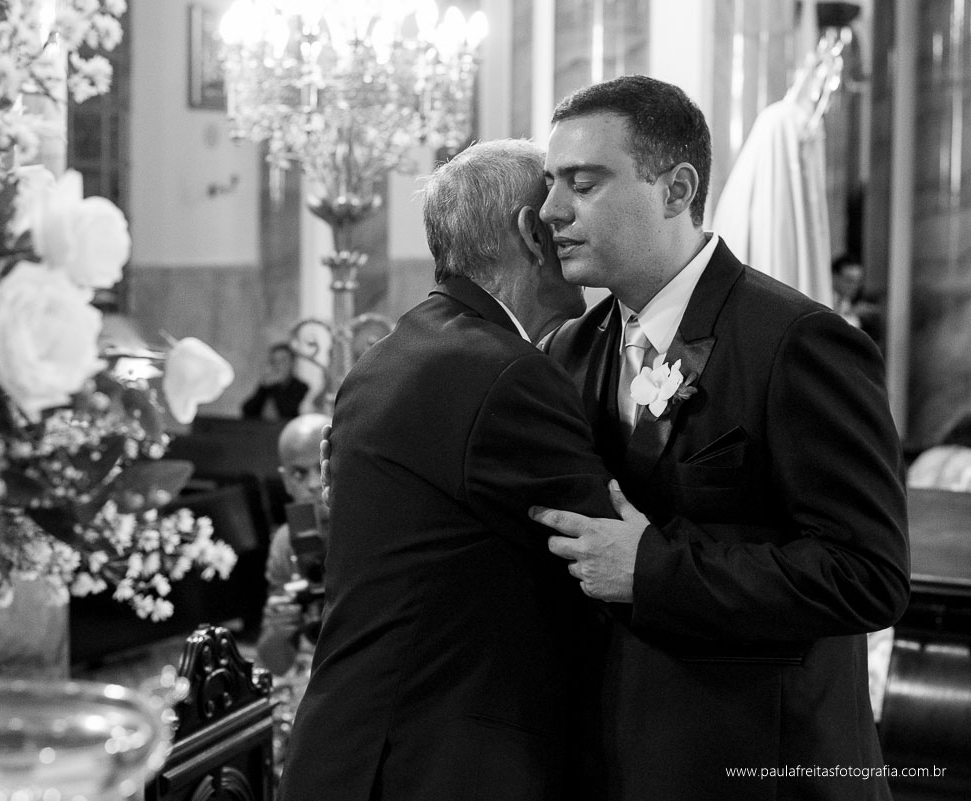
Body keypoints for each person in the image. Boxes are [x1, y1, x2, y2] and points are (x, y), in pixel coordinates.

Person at [533, 75, 910, 800]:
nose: (551, 210)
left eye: (582, 184)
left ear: (675, 190)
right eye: (552, 183)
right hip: (612, 760)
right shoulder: (571, 350)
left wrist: (654, 570)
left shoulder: (797, 343)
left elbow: (868, 575)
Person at [278, 139, 617, 801]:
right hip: (435, 764)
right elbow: (604, 559)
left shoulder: (396, 351)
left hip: (353, 751)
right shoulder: (503, 372)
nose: (579, 223)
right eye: (565, 203)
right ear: (529, 229)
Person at [254, 412, 331, 779]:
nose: (315, 485)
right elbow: (276, 663)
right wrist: (277, 629)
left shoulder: (379, 529)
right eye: (300, 475)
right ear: (286, 482)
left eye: (322, 467)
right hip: (315, 680)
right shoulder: (288, 543)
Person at [240, 342, 309, 420]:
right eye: (274, 361)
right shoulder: (267, 386)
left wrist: (277, 385)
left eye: (283, 360)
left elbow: (288, 413)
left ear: (292, 363)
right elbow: (247, 411)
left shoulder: (301, 387)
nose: (278, 365)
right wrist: (263, 387)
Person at [831, 253, 884, 348]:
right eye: (849, 280)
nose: (854, 286)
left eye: (858, 281)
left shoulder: (846, 301)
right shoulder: (824, 298)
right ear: (834, 277)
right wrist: (852, 312)